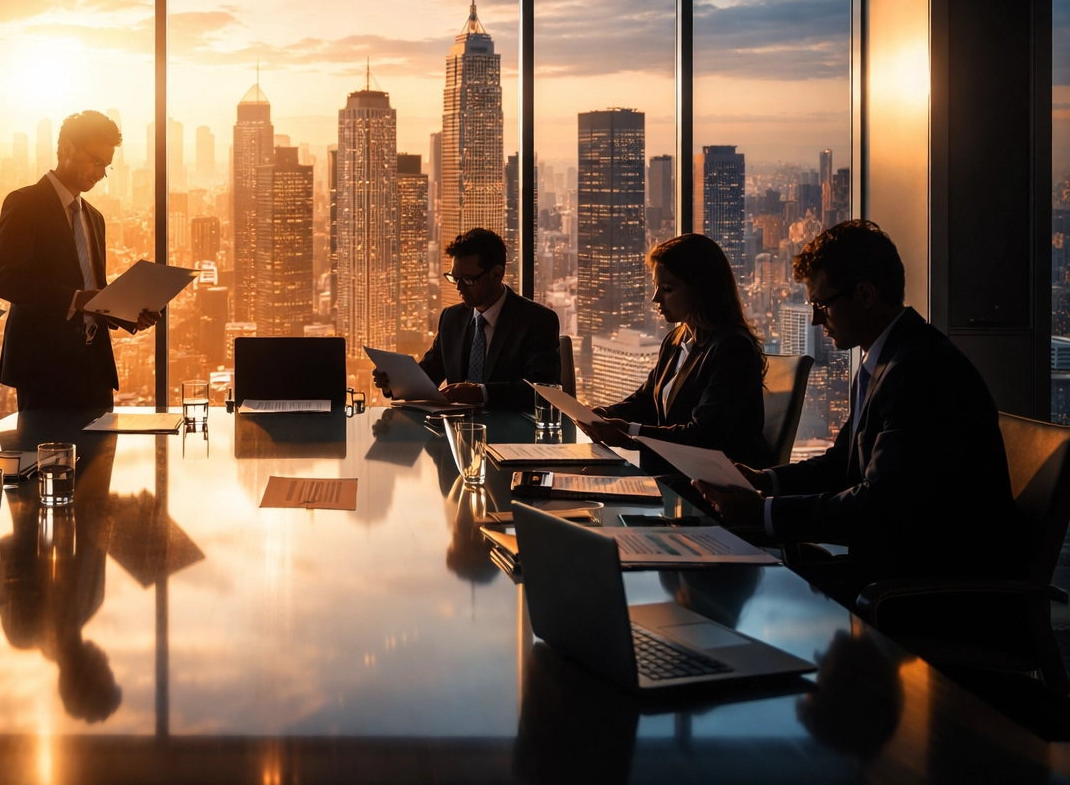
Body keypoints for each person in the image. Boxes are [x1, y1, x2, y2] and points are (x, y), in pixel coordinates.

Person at [692, 220, 1014, 594]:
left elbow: (880, 506)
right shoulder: (891, 359)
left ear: (864, 294)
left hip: (924, 591)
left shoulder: (917, 372)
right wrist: (765, 481)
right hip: (890, 570)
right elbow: (841, 464)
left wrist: (762, 511)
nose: (815, 319)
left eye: (821, 304)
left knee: (730, 584)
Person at [0, 110, 158, 410]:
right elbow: (5, 280)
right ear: (66, 148)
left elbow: (97, 292)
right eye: (96, 161)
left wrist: (129, 314)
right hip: (43, 368)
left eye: (106, 166)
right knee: (47, 455)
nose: (100, 173)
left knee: (101, 456)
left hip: (96, 367)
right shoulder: (25, 203)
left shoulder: (95, 218)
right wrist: (76, 299)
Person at [580, 233, 771, 468]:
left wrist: (629, 433)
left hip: (712, 486)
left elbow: (703, 436)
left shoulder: (732, 348)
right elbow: (647, 400)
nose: (655, 298)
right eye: (656, 287)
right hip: (673, 471)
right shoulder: (676, 339)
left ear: (700, 290)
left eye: (667, 289)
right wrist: (603, 415)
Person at [375, 227, 560, 409]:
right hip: (455, 432)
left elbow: (543, 390)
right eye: (455, 278)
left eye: (468, 280)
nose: (459, 288)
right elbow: (427, 378)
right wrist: (393, 382)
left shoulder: (537, 321)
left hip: (512, 435)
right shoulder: (451, 318)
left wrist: (480, 393)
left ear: (496, 274)